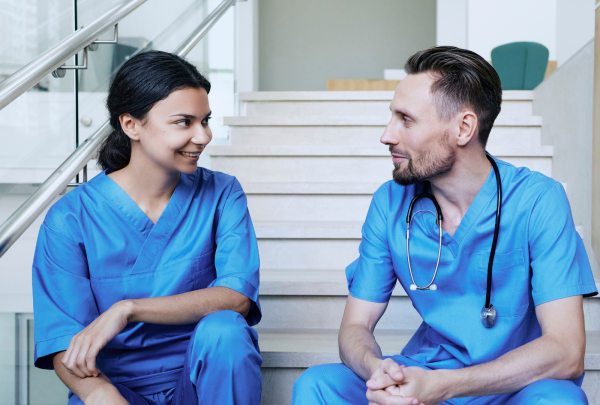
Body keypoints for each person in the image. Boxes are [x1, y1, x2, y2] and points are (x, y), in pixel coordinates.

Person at [292, 46, 598, 405]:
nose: (387, 135)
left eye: (405, 119)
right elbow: (355, 327)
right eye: (392, 117)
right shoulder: (390, 203)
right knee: (317, 385)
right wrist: (377, 369)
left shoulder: (537, 201)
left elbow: (566, 349)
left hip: (513, 386)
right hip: (425, 375)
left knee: (558, 401)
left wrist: (447, 385)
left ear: (463, 128)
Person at [32, 51, 262, 405]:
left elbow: (237, 297)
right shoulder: (70, 218)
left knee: (226, 331)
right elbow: (63, 338)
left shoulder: (222, 193)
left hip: (202, 381)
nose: (203, 136)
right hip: (112, 388)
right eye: (184, 122)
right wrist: (99, 394)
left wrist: (127, 309)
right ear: (131, 125)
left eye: (206, 120)